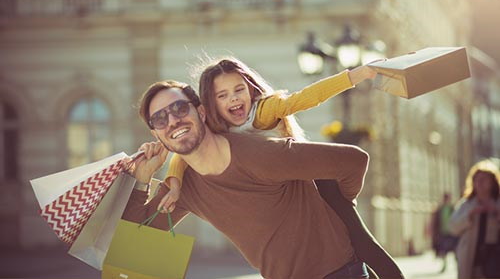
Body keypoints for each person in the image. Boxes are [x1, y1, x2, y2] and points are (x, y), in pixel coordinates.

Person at [158, 57, 402, 278]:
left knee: (359, 239)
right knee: (346, 250)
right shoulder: (214, 129)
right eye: (222, 95)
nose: (232, 98)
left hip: (316, 181)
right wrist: (175, 184)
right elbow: (181, 157)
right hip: (284, 193)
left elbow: (308, 97)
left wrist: (355, 76)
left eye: (238, 89)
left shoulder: (264, 110)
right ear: (211, 104)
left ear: (250, 89)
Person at [124, 79, 371, 278]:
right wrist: (142, 179)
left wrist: (340, 206)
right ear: (156, 133)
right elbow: (136, 239)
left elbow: (354, 161)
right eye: (160, 118)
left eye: (179, 108)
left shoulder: (260, 154)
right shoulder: (183, 186)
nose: (173, 120)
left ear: (200, 111)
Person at [448, 159, 500, 278]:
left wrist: (496, 213)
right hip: (471, 258)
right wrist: (469, 215)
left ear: (492, 182)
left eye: (484, 179)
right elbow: (452, 227)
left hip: (494, 258)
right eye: (477, 179)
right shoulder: (467, 204)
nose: (480, 183)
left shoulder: (497, 203)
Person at [429, 192, 457, 272]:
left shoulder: (453, 208)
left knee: (454, 249)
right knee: (443, 250)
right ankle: (444, 265)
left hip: (451, 232)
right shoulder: (440, 209)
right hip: (442, 233)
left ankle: (456, 265)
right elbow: (435, 221)